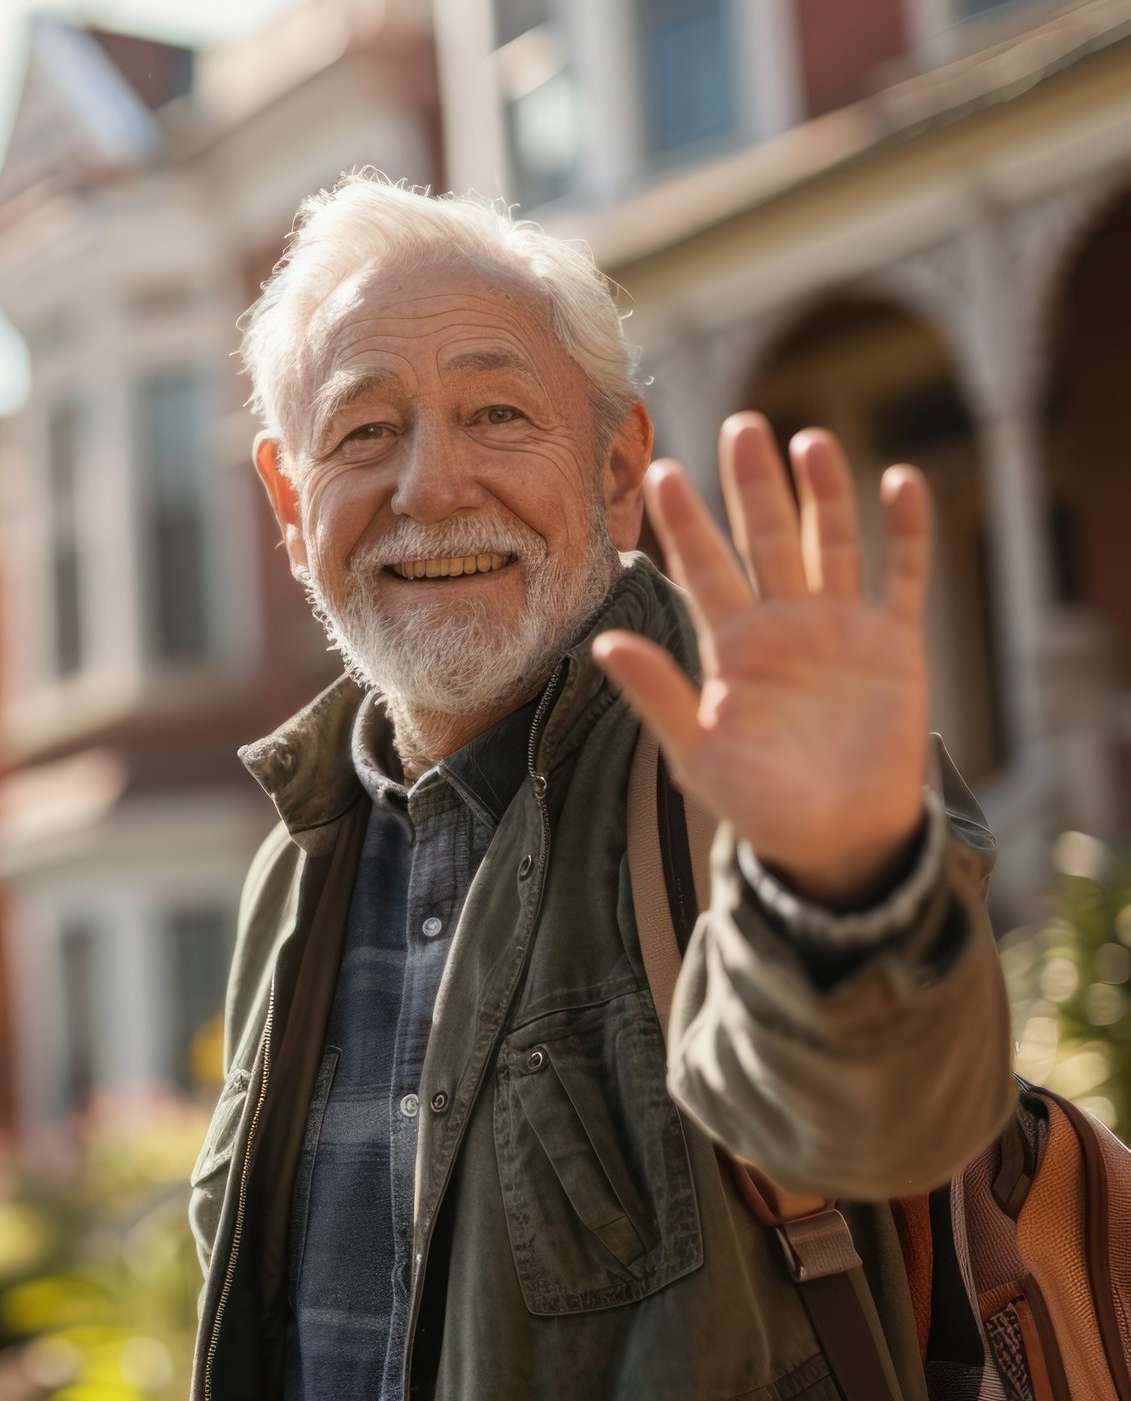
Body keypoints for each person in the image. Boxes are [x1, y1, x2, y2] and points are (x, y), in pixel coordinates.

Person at [188, 174, 1013, 1400]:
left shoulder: (763, 773)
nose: (430, 486)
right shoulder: (292, 867)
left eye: (497, 413)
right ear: (291, 504)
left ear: (617, 468)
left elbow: (891, 1111)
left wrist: (846, 881)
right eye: (363, 431)